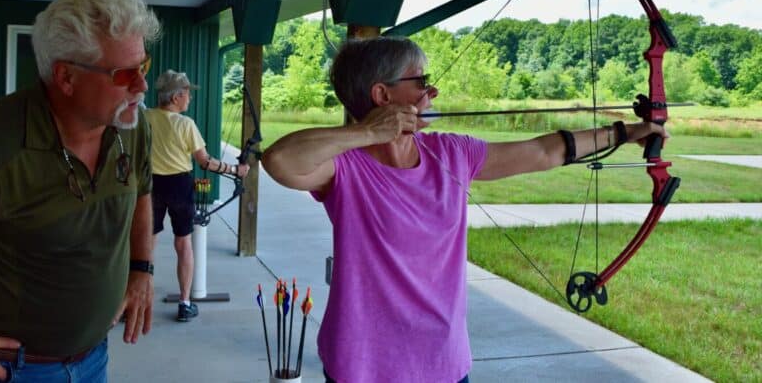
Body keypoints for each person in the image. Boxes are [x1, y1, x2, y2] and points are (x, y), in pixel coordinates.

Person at [262, 37, 669, 383]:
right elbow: (279, 160)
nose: (432, 92)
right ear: (383, 96)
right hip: (364, 363)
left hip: (443, 359)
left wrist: (623, 132)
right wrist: (367, 132)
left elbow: (546, 151)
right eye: (421, 81)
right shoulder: (345, 167)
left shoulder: (451, 153)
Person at [0, 0, 161, 383]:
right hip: (8, 371)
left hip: (93, 359)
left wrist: (142, 269)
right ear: (66, 77)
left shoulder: (130, 125)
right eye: (124, 73)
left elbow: (140, 189)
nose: (141, 86)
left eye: (144, 66)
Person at [145, 70, 249, 322]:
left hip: (150, 186)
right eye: (188, 93)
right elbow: (204, 162)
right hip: (179, 185)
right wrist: (236, 170)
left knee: (147, 244)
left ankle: (139, 302)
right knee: (183, 244)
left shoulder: (145, 117)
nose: (189, 98)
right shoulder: (185, 124)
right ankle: (185, 302)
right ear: (177, 96)